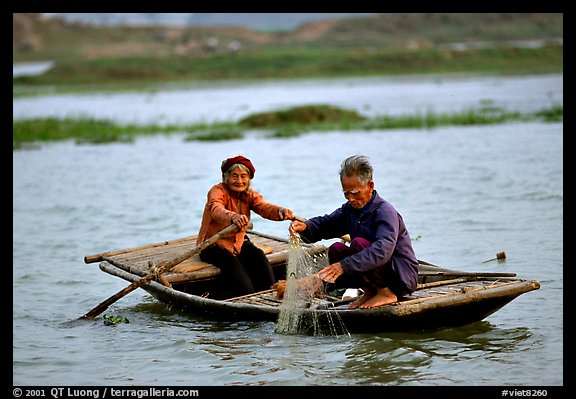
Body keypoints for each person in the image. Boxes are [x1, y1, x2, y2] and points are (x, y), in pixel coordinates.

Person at [289, 155, 419, 309]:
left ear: (370, 186)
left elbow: (382, 251)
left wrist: (344, 266)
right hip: (378, 274)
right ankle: (370, 291)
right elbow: (327, 223)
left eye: (355, 193)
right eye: (346, 194)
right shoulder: (350, 210)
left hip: (401, 276)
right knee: (336, 249)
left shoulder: (385, 212)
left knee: (358, 244)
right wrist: (306, 227)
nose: (350, 198)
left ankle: (386, 293)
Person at [197, 155, 294, 298]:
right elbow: (216, 209)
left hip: (238, 242)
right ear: (225, 177)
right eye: (234, 176)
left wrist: (279, 211)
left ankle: (271, 292)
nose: (239, 181)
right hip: (213, 245)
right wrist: (233, 217)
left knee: (258, 255)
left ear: (249, 179)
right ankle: (248, 296)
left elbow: (264, 207)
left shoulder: (249, 194)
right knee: (232, 264)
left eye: (244, 176)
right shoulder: (217, 191)